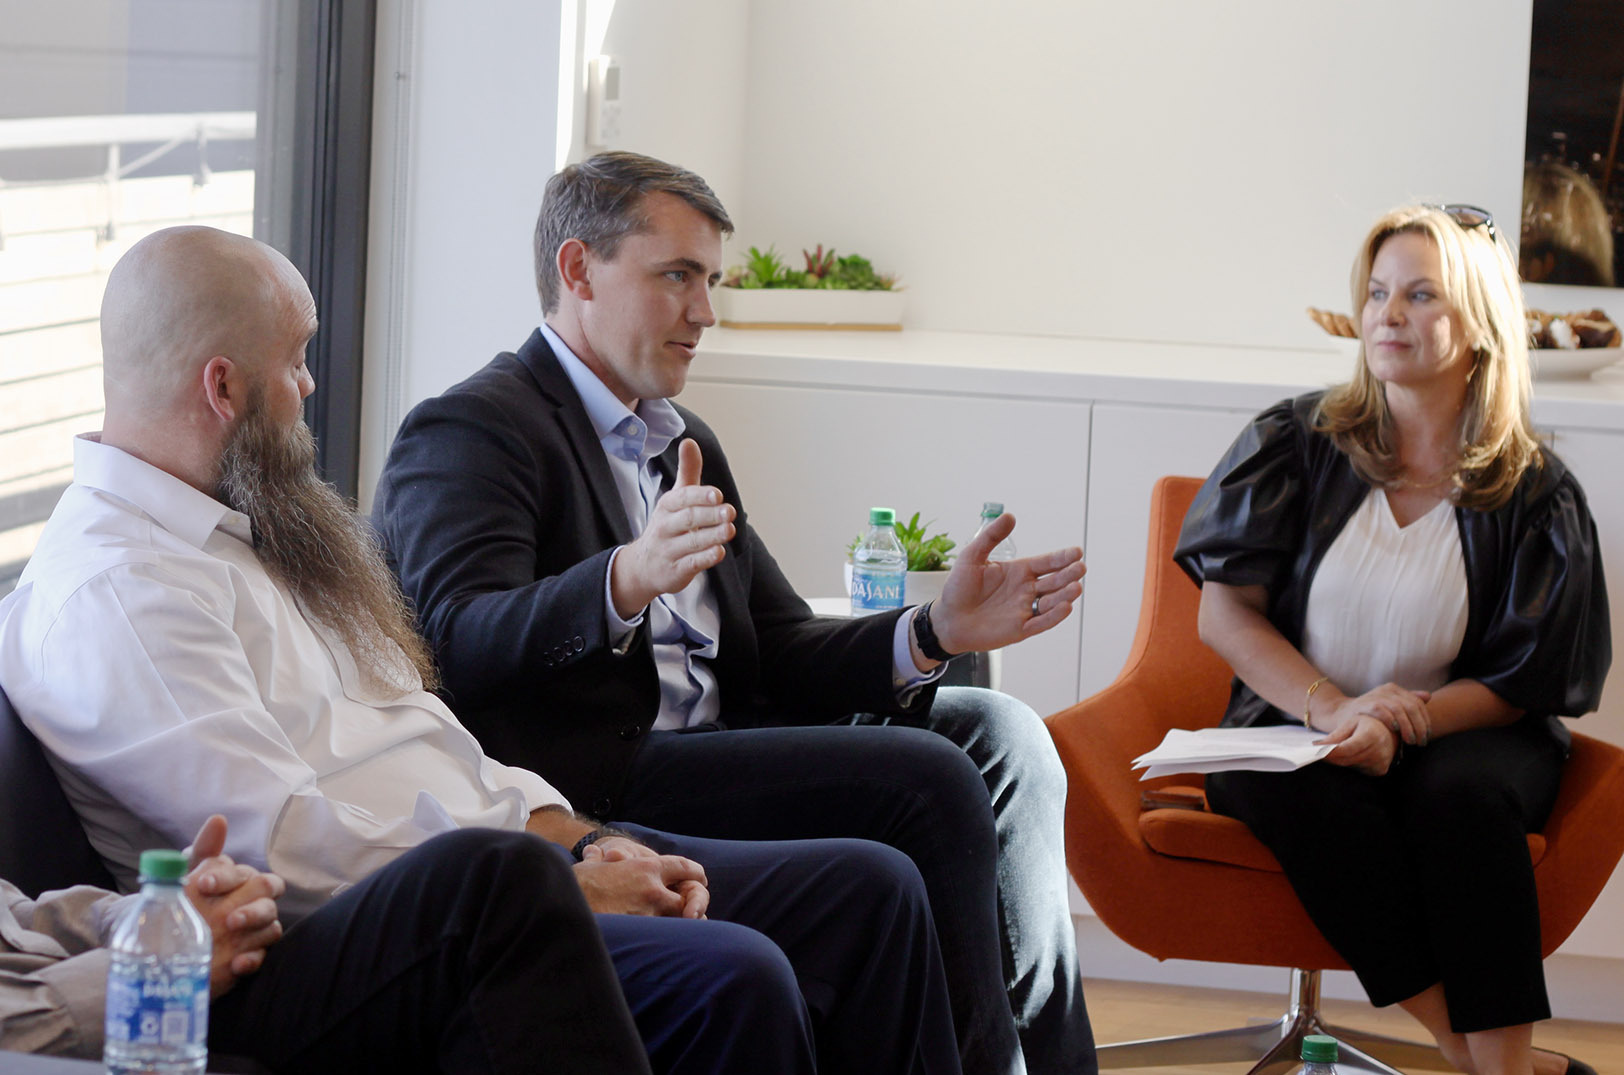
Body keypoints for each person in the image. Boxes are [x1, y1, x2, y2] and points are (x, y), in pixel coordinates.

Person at [0, 225, 962, 1075]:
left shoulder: (254, 532)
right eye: (296, 361)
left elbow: (429, 733)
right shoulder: (117, 591)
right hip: (346, 940)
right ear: (223, 387)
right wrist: (562, 886)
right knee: (737, 971)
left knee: (866, 894)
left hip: (496, 866)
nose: (308, 386)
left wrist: (580, 839)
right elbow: (281, 848)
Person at [373, 150, 1095, 1075]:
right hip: (604, 774)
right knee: (929, 778)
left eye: (708, 280)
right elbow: (461, 639)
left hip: (722, 742)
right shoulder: (476, 426)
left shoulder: (686, 439)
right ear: (579, 269)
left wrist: (935, 633)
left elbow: (781, 647)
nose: (705, 312)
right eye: (677, 275)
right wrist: (623, 578)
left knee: (1003, 733)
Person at [1175, 204, 1610, 1075]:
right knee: (1303, 795)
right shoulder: (1293, 442)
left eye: (1419, 294)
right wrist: (1336, 711)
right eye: (1376, 293)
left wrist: (1398, 723)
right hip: (1299, 716)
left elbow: (1523, 676)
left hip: (1469, 726)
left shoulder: (1536, 491)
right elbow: (1224, 614)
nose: (1387, 314)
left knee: (1461, 801)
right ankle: (1494, 1062)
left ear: (1479, 325)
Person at [3, 815, 660, 1074]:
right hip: (86, 1033)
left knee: (501, 872)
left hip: (136, 982)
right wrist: (148, 970)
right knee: (494, 879)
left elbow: (26, 918)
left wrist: (164, 913)